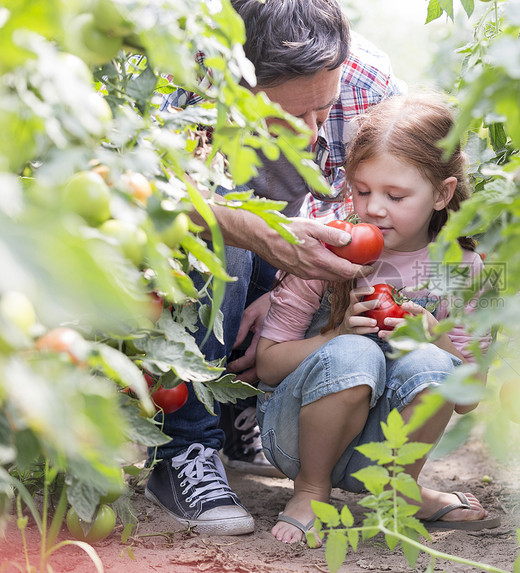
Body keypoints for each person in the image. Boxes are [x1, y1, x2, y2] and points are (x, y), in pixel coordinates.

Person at [145, 0, 400, 536]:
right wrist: (263, 237)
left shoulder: (370, 86)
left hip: (298, 272)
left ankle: (246, 418)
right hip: (220, 253)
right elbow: (150, 196)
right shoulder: (187, 82)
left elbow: (410, 209)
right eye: (288, 118)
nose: (311, 133)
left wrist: (286, 286)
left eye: (322, 111)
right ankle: (186, 447)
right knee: (215, 224)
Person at [254, 94, 500, 543]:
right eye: (362, 191)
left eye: (396, 195)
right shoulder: (327, 246)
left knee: (435, 365)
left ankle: (396, 491)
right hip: (295, 435)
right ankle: (312, 489)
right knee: (353, 351)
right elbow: (267, 364)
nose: (374, 208)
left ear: (442, 193)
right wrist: (340, 332)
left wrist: (435, 338)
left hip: (384, 448)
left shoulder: (462, 269)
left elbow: (468, 397)